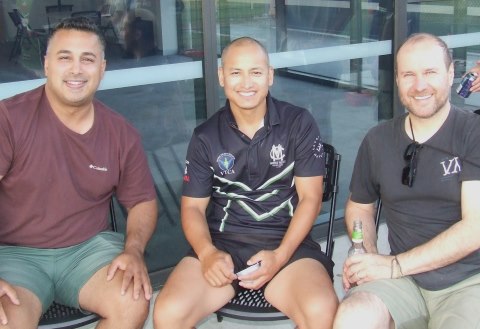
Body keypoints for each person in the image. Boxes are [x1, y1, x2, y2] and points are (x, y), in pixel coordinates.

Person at [153, 37, 338, 329]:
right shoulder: (205, 136)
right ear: (221, 77)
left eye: (256, 72)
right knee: (167, 313)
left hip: (287, 244)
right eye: (236, 72)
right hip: (223, 244)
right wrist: (207, 253)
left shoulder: (299, 123)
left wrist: (280, 256)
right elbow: (192, 208)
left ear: (270, 76)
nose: (246, 82)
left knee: (321, 311)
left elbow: (311, 198)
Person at [0, 17, 158, 329]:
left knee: (133, 302)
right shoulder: (9, 119)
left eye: (87, 59)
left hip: (88, 251)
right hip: (16, 256)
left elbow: (142, 201)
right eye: (64, 57)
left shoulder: (120, 134)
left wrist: (134, 250)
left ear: (102, 68)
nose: (76, 69)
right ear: (46, 64)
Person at [333, 33, 480, 329]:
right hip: (401, 280)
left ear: (451, 74)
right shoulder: (378, 140)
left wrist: (394, 265)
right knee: (352, 318)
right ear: (397, 80)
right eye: (408, 75)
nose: (420, 85)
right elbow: (359, 207)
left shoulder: (473, 133)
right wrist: (367, 255)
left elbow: (474, 228)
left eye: (430, 72)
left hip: (467, 282)